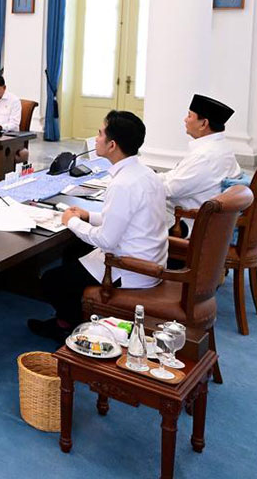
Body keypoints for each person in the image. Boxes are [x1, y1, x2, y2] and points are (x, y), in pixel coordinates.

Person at [28, 111, 168, 338]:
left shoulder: (123, 183)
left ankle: (70, 328)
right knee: (73, 251)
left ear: (112, 145)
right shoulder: (146, 173)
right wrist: (88, 216)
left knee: (51, 281)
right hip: (149, 257)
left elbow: (106, 240)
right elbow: (128, 220)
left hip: (132, 268)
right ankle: (68, 317)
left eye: (100, 133)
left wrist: (71, 221)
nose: (96, 138)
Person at [161, 94, 242, 233]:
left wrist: (140, 183)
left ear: (204, 123)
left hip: (188, 223)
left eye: (189, 116)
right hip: (199, 215)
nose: (185, 120)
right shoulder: (220, 147)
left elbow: (170, 190)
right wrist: (150, 176)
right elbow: (176, 176)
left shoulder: (205, 156)